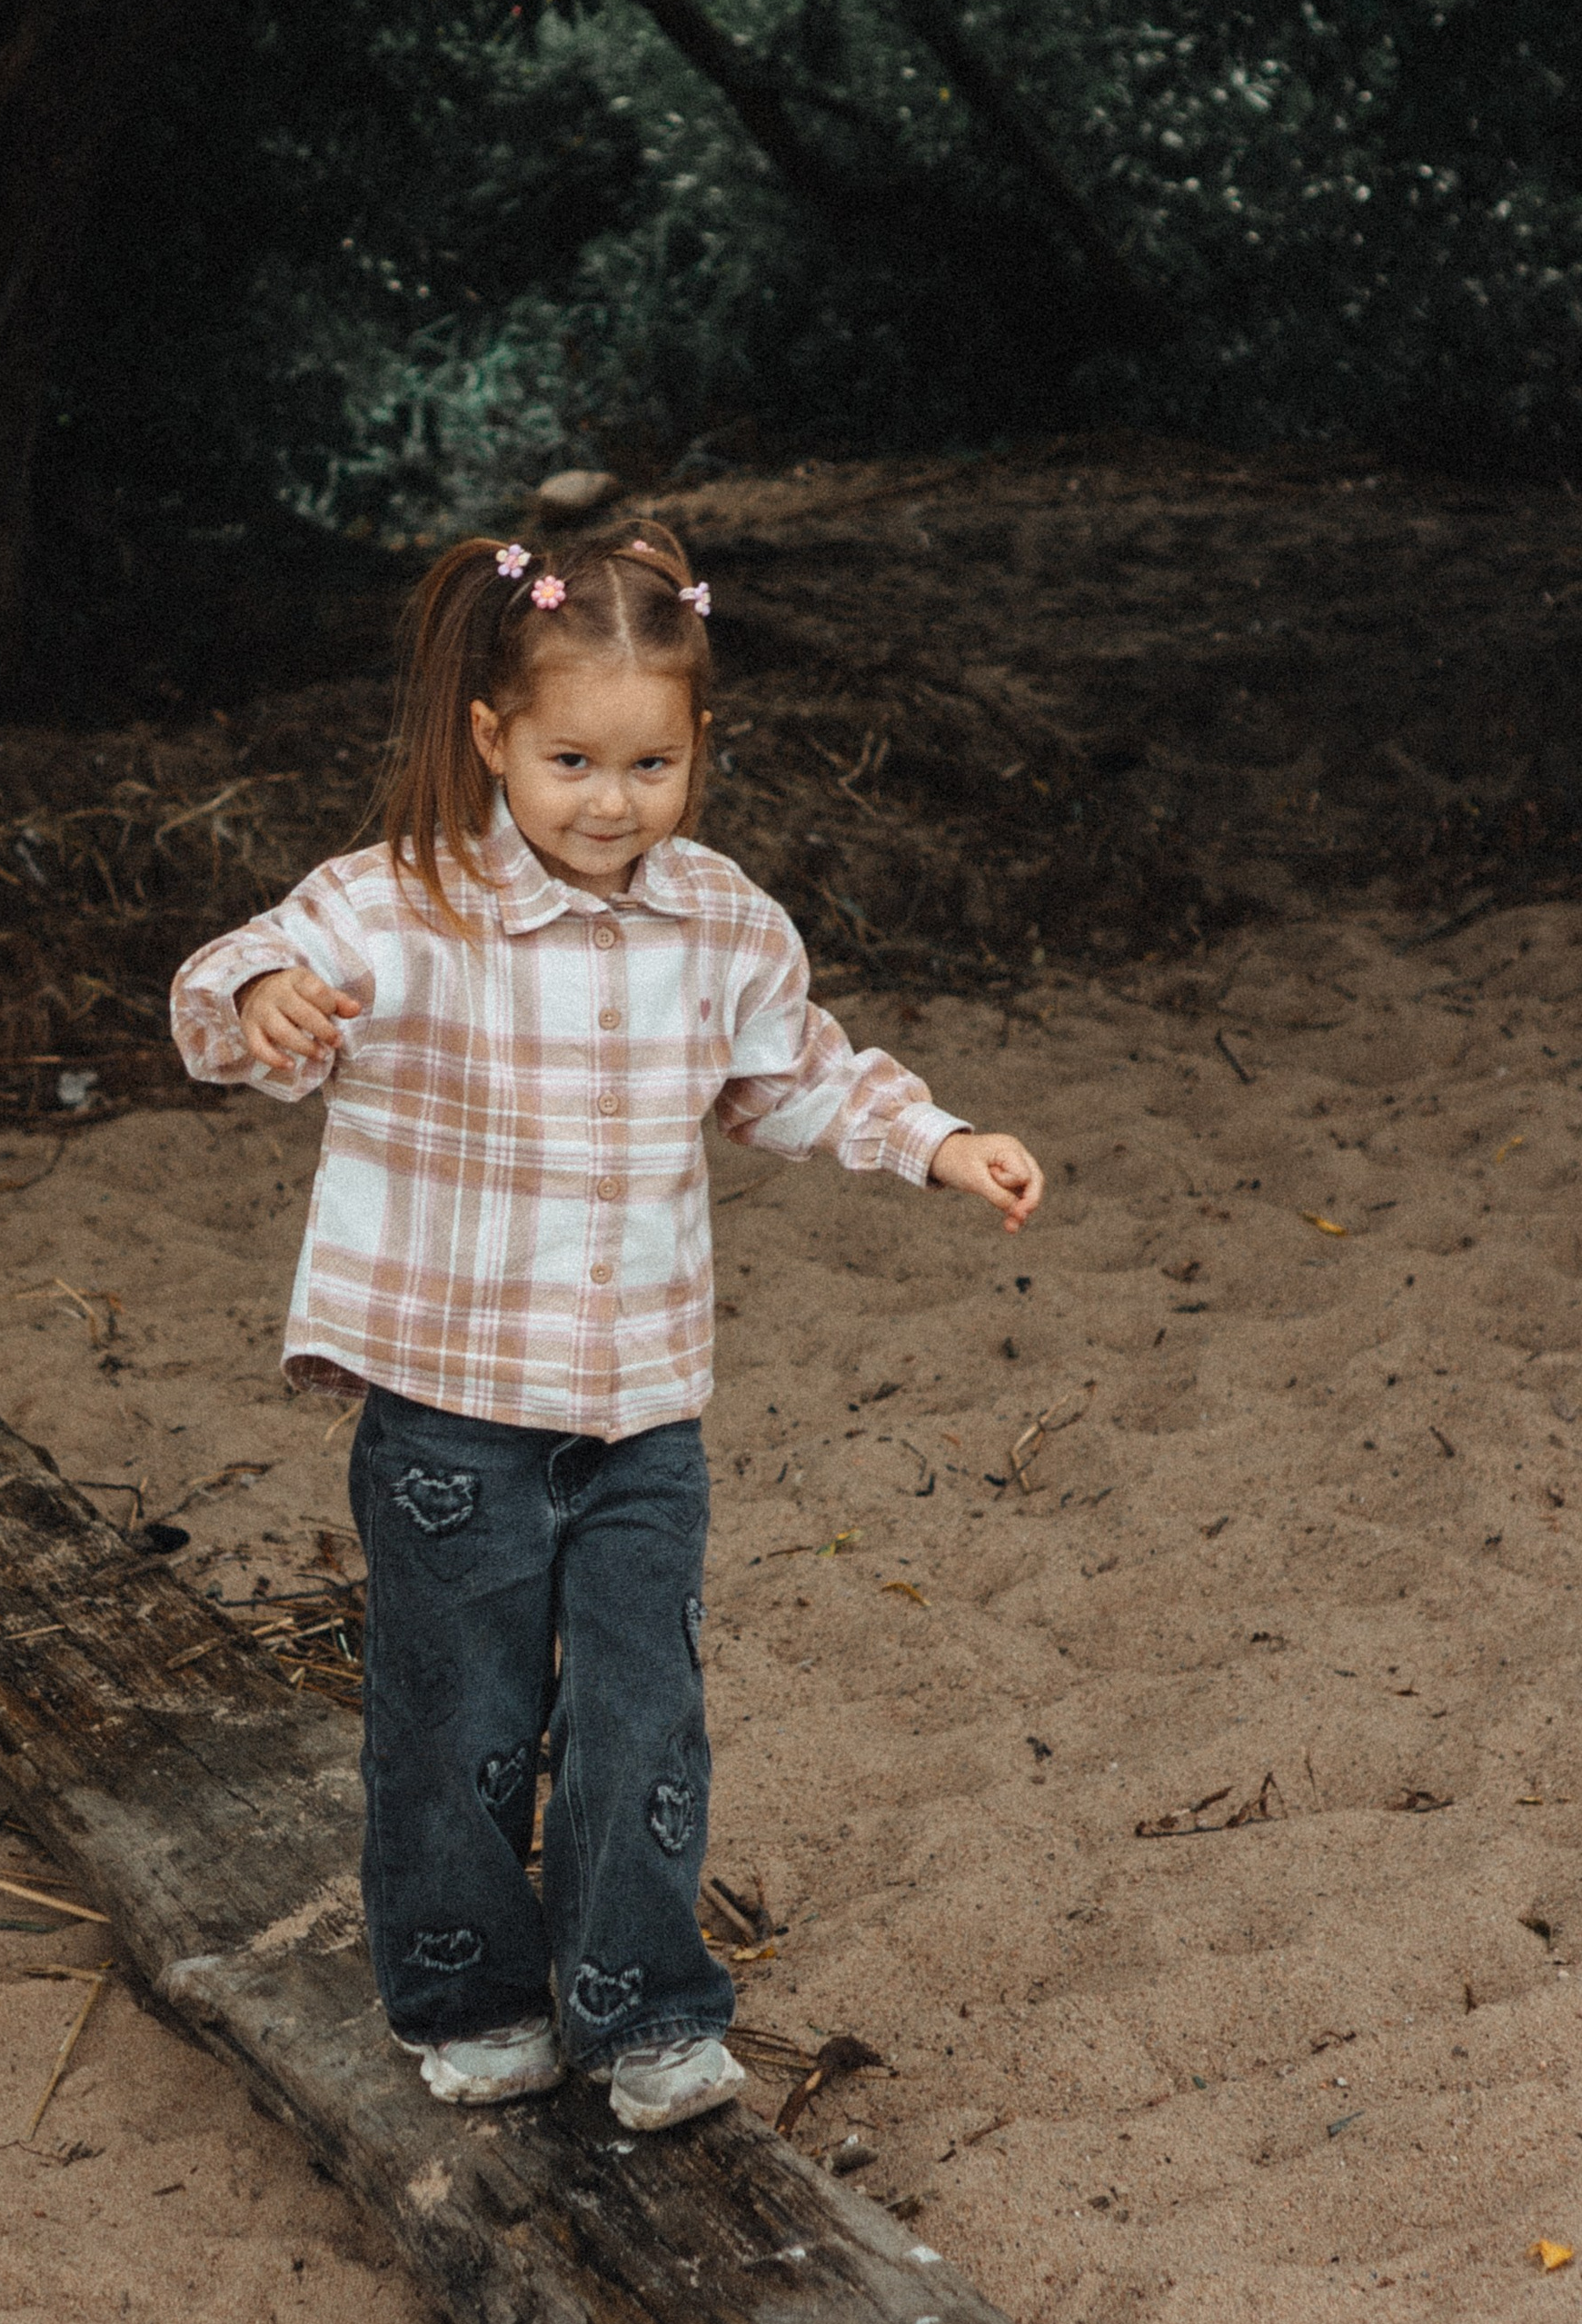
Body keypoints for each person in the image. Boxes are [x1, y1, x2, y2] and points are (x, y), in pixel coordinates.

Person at [171, 519, 1041, 2133]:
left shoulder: (721, 922)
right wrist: (260, 1005)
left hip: (643, 1416)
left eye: (651, 763)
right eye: (571, 758)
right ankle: (475, 1995)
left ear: (700, 750)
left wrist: (931, 1140)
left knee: (644, 1722)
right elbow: (230, 986)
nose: (609, 799)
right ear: (491, 738)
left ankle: (642, 2009)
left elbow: (793, 1078)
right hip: (449, 1418)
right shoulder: (397, 905)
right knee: (459, 1727)